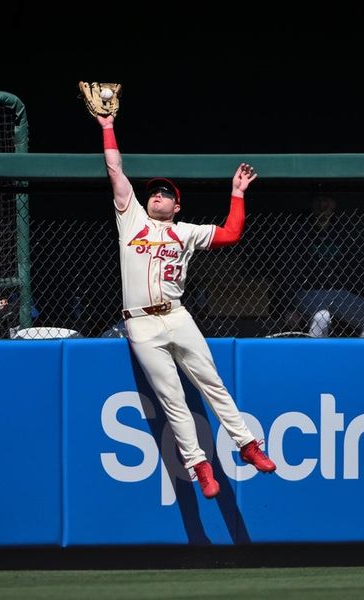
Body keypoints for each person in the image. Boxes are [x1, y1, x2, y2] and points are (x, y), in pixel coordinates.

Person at [93, 111, 276, 500]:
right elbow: (115, 170)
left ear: (177, 206)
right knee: (172, 398)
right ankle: (200, 467)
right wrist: (108, 127)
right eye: (154, 192)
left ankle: (247, 445)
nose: (157, 196)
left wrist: (237, 193)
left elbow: (231, 233)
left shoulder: (186, 231)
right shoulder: (131, 219)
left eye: (165, 194)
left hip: (177, 315)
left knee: (212, 383)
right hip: (140, 323)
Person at [289, 194, 364, 338]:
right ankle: (318, 353)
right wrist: (289, 307)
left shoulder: (342, 231)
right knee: (321, 317)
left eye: (326, 201)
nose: (322, 206)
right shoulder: (299, 231)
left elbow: (356, 269)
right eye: (319, 201)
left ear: (334, 204)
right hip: (308, 292)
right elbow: (288, 271)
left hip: (339, 292)